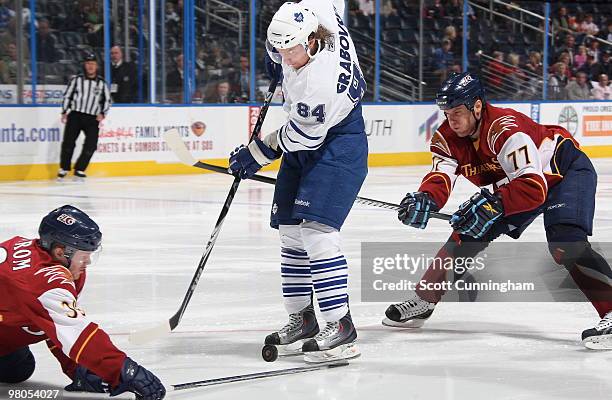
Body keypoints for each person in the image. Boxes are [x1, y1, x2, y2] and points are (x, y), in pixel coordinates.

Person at [382, 72, 612, 350]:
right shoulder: (447, 136)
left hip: (562, 172)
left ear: (477, 106)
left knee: (566, 244)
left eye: (457, 112)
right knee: (466, 233)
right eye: (446, 112)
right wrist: (426, 199)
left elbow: (532, 187)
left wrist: (494, 202)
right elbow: (441, 175)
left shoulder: (505, 129)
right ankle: (424, 300)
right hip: (519, 180)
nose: (451, 120)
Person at [229, 0, 367, 362]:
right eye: (279, 50)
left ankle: (340, 324)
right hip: (310, 137)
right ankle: (302, 319)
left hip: (338, 143)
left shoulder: (320, 84)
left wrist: (255, 154)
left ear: (310, 42)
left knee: (317, 232)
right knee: (290, 232)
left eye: (290, 51)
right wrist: (279, 53)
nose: (285, 58)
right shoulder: (315, 13)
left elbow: (299, 137)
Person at [0, 205, 165, 400]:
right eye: (84, 254)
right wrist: (126, 371)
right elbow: (76, 332)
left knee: (18, 367)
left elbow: (55, 325)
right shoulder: (42, 282)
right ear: (61, 251)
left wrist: (78, 368)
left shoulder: (38, 254)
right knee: (16, 367)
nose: (87, 261)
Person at [58, 52, 110, 181]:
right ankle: (64, 168)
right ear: (84, 65)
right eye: (88, 64)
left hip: (92, 118)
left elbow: (107, 100)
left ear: (96, 66)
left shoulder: (102, 83)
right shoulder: (76, 80)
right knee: (68, 143)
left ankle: (80, 169)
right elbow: (67, 96)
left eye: (92, 64)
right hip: (75, 115)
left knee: (91, 144)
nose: (90, 66)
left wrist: (103, 113)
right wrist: (64, 111)